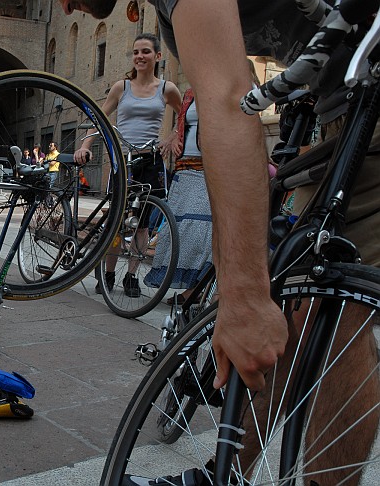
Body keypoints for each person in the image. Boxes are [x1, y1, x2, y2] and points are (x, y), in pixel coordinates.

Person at [61, 1, 380, 485]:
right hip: (345, 103)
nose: (66, 6)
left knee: (335, 312)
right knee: (299, 307)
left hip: (365, 102)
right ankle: (229, 472)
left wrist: (244, 292)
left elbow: (232, 99)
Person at [75, 33, 181, 297]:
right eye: (136, 52)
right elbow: (100, 117)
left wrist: (173, 136)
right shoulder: (121, 87)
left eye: (146, 52)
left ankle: (131, 276)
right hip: (124, 160)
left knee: (143, 223)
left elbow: (185, 112)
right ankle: (108, 274)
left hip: (151, 160)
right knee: (117, 220)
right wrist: (85, 146)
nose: (140, 57)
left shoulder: (167, 88)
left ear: (157, 56)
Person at [144, 87, 212, 303]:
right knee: (177, 230)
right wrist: (173, 136)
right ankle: (193, 287)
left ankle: (196, 290)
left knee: (201, 230)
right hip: (184, 168)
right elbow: (183, 122)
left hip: (210, 169)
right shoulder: (191, 92)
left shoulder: (223, 85)